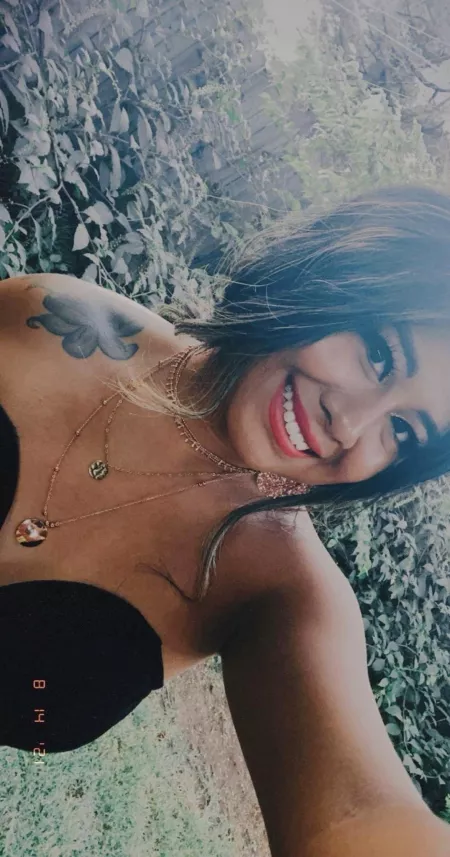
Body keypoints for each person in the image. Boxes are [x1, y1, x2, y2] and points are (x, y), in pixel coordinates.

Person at [0, 183, 449, 856]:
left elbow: (358, 818)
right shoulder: (51, 321)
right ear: (326, 273)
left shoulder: (280, 598)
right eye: (378, 354)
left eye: (403, 432)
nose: (352, 424)